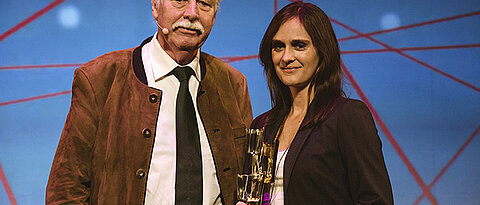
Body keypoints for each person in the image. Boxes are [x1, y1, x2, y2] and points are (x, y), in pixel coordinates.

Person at [46, 0, 252, 204]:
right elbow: (66, 189)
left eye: (204, 4)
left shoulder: (233, 84)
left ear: (214, 17)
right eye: (180, 1)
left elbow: (251, 178)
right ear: (155, 7)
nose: (192, 13)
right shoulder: (100, 78)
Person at [243, 2, 393, 204]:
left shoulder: (347, 116)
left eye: (299, 45)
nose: (286, 57)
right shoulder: (262, 126)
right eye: (278, 46)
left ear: (322, 52)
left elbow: (376, 200)